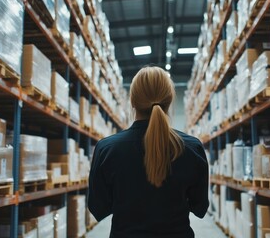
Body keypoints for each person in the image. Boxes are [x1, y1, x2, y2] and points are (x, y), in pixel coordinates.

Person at [88, 66, 209, 238]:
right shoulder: (192, 148)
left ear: (132, 102)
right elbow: (200, 207)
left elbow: (98, 208)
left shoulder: (107, 149)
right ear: (169, 101)